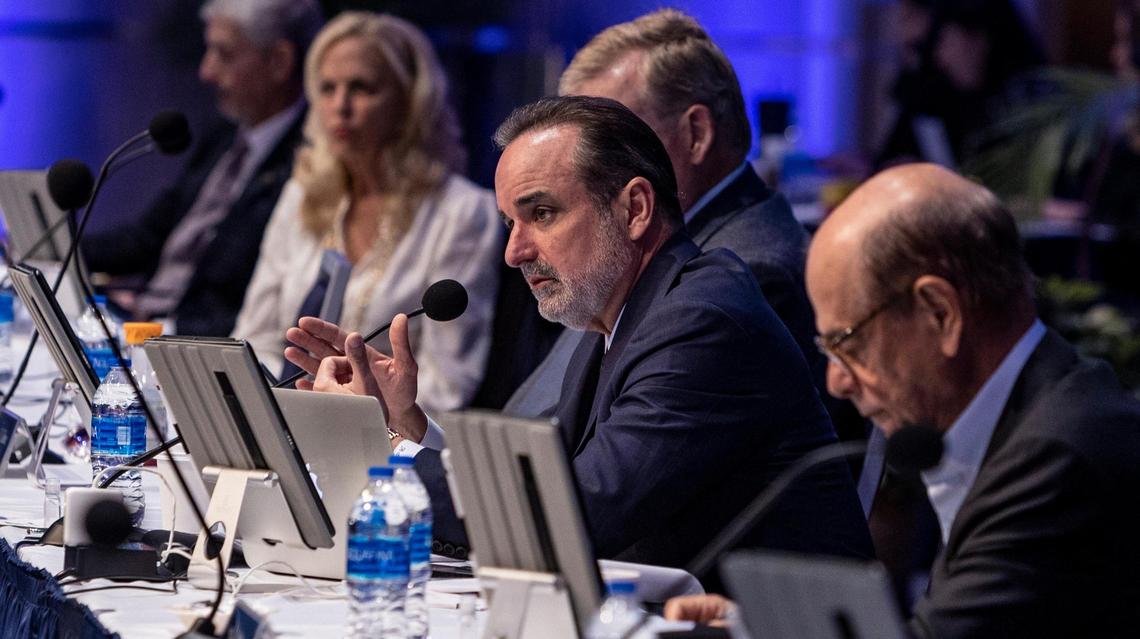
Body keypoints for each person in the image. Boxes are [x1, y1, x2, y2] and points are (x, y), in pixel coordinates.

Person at [287, 96, 872, 575]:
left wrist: (379, 451)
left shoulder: (702, 321)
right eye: (510, 222)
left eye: (541, 214)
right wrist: (402, 423)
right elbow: (540, 486)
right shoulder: (618, 317)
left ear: (635, 209)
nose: (514, 252)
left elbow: (573, 513)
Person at [666, 163, 1140, 638]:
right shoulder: (1037, 412)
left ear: (940, 312)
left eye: (847, 343)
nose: (836, 381)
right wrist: (752, 627)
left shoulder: (1056, 459)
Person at [508, 9, 864, 449]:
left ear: (696, 133)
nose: (582, 167)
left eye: (609, 141)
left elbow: (608, 471)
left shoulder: (746, 276)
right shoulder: (612, 257)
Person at [231, 12, 501, 412]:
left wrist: (348, 411)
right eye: (327, 88)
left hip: (388, 436)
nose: (340, 106)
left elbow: (448, 384)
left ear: (409, 100)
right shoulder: (300, 195)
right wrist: (283, 408)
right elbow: (254, 339)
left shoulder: (462, 213)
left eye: (361, 88)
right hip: (286, 419)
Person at [82, 0, 323, 337]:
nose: (206, 72)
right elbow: (146, 238)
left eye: (224, 54)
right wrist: (57, 250)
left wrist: (159, 329)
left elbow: (254, 306)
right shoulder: (223, 137)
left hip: (196, 341)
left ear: (279, 61)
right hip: (142, 321)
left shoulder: (312, 161)